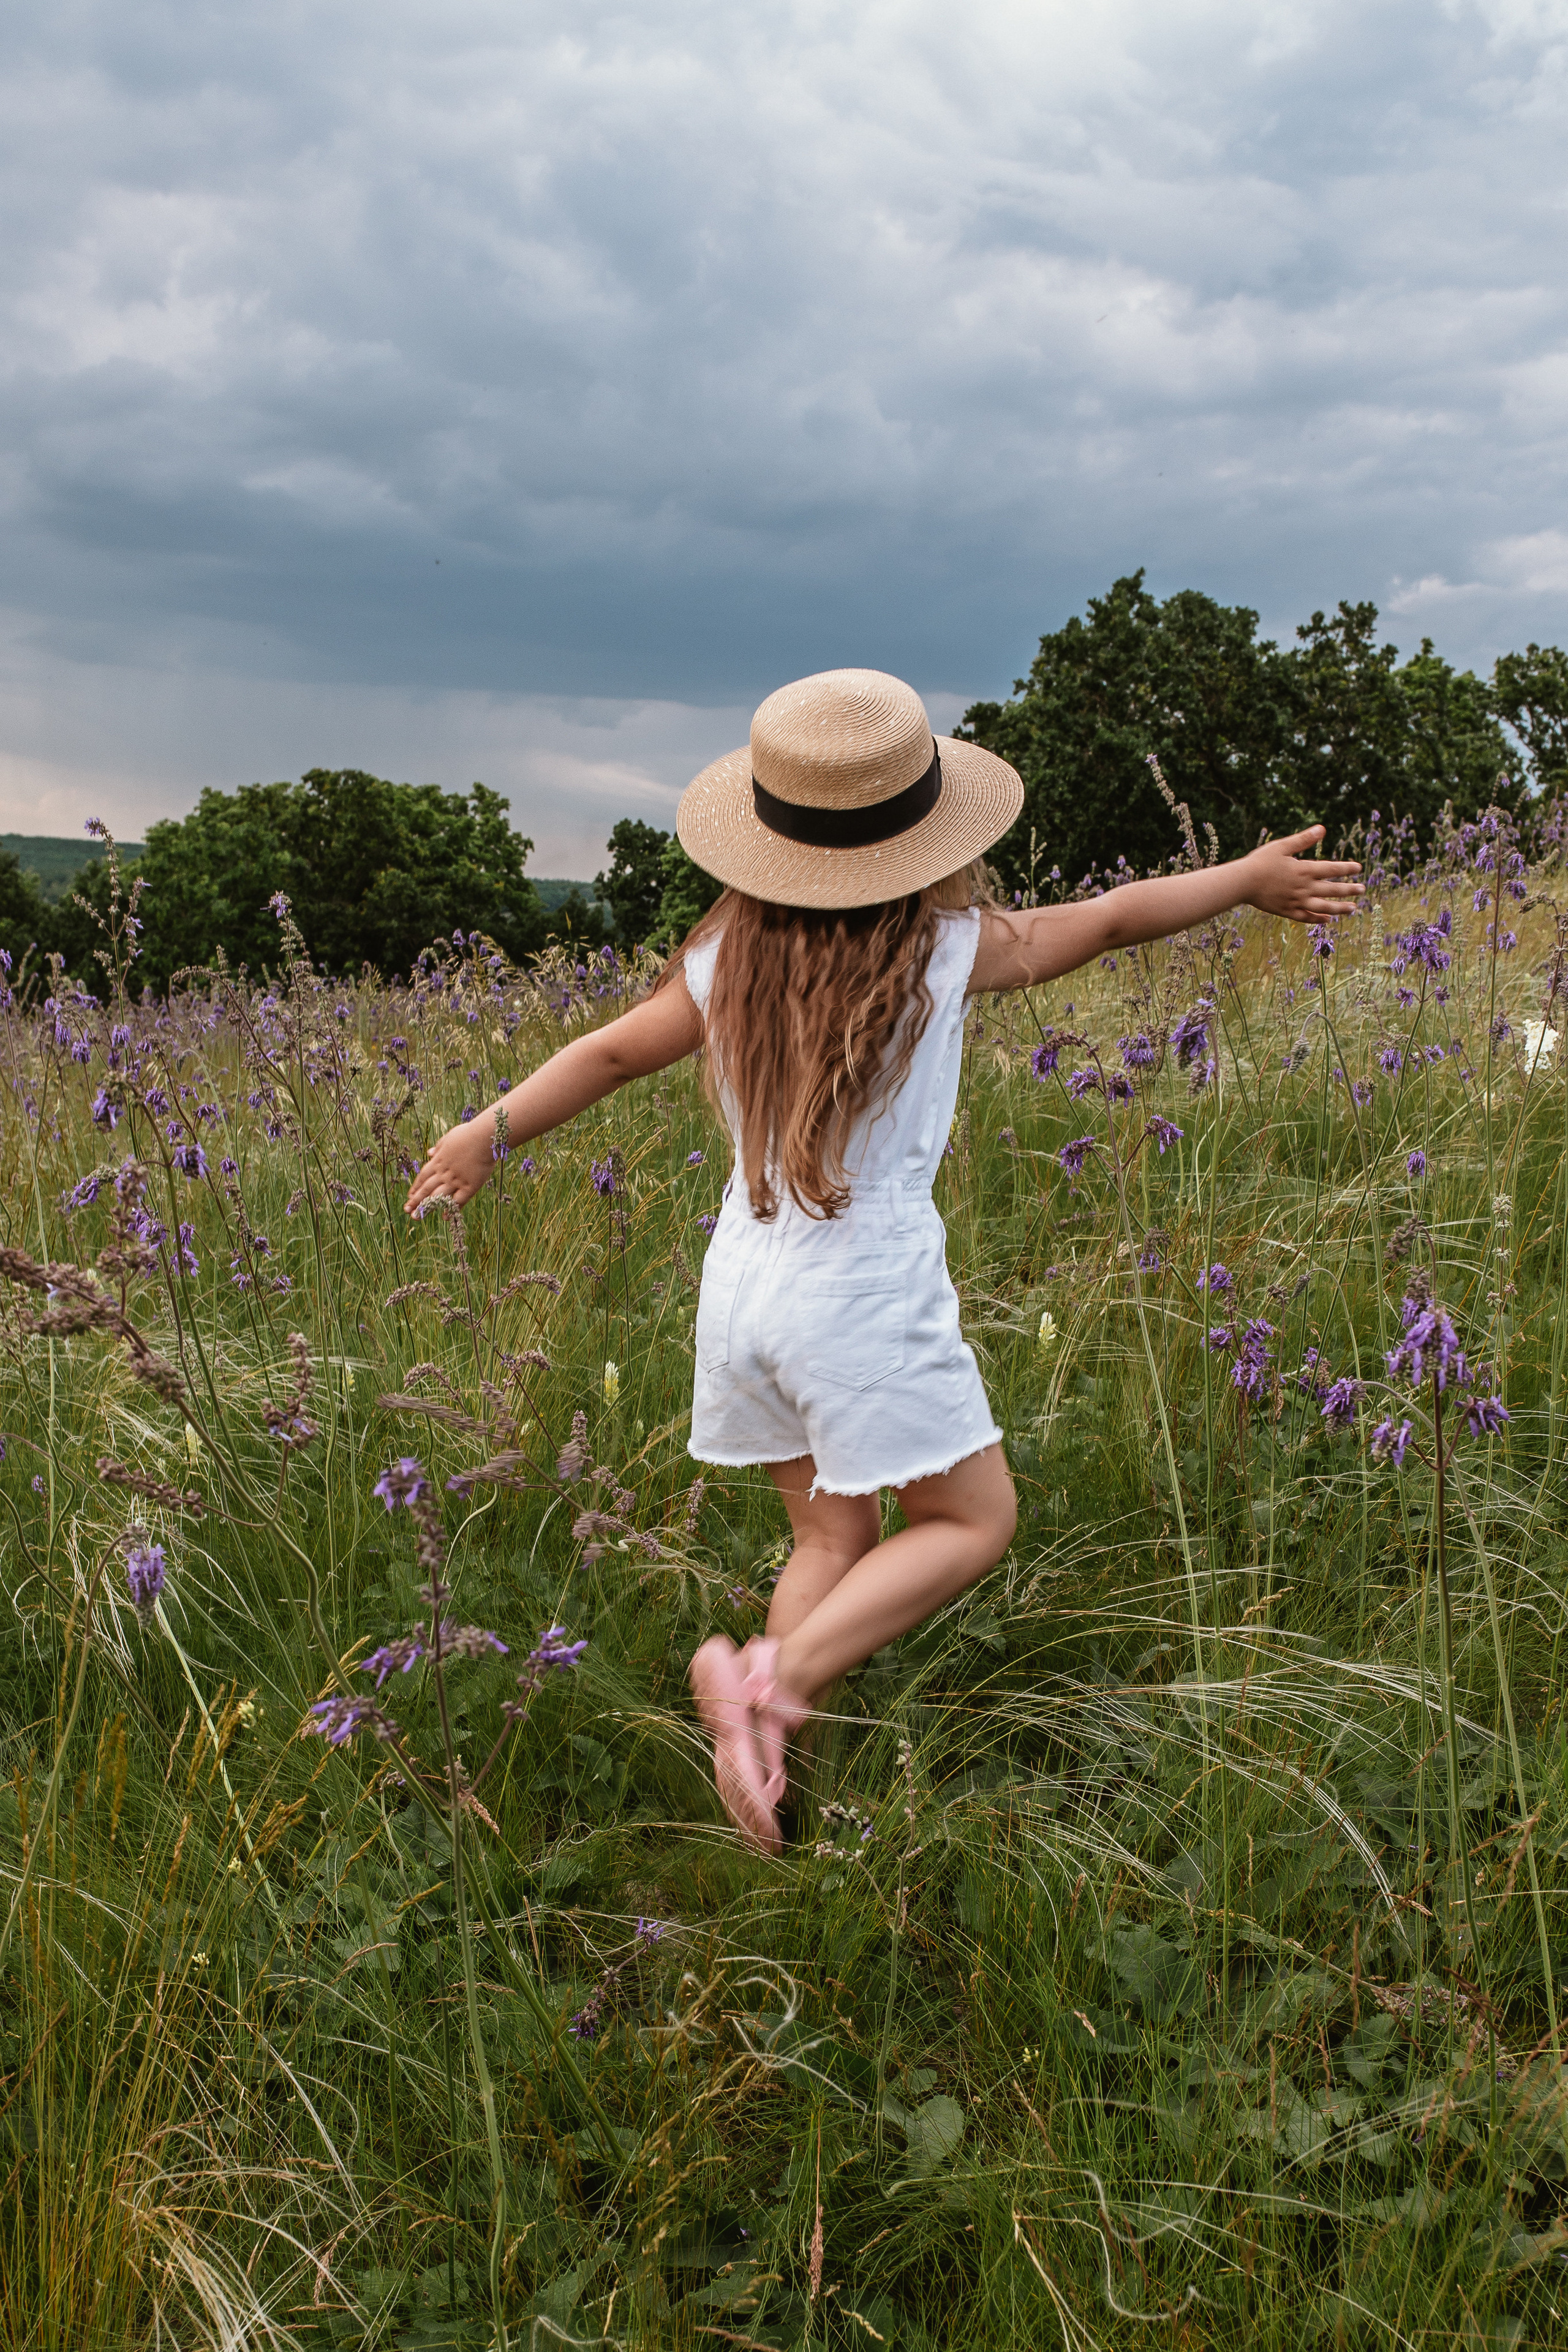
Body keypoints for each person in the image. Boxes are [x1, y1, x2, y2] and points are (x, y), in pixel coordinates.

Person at [405, 668, 1362, 1854]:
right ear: (924, 838)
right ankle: (771, 1682)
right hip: (858, 1289)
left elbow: (604, 1056)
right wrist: (1247, 881)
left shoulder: (721, 966)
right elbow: (1116, 913)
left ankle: (768, 1773)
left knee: (826, 1537)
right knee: (968, 1521)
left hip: (743, 1282)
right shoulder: (941, 950)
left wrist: (481, 1133)